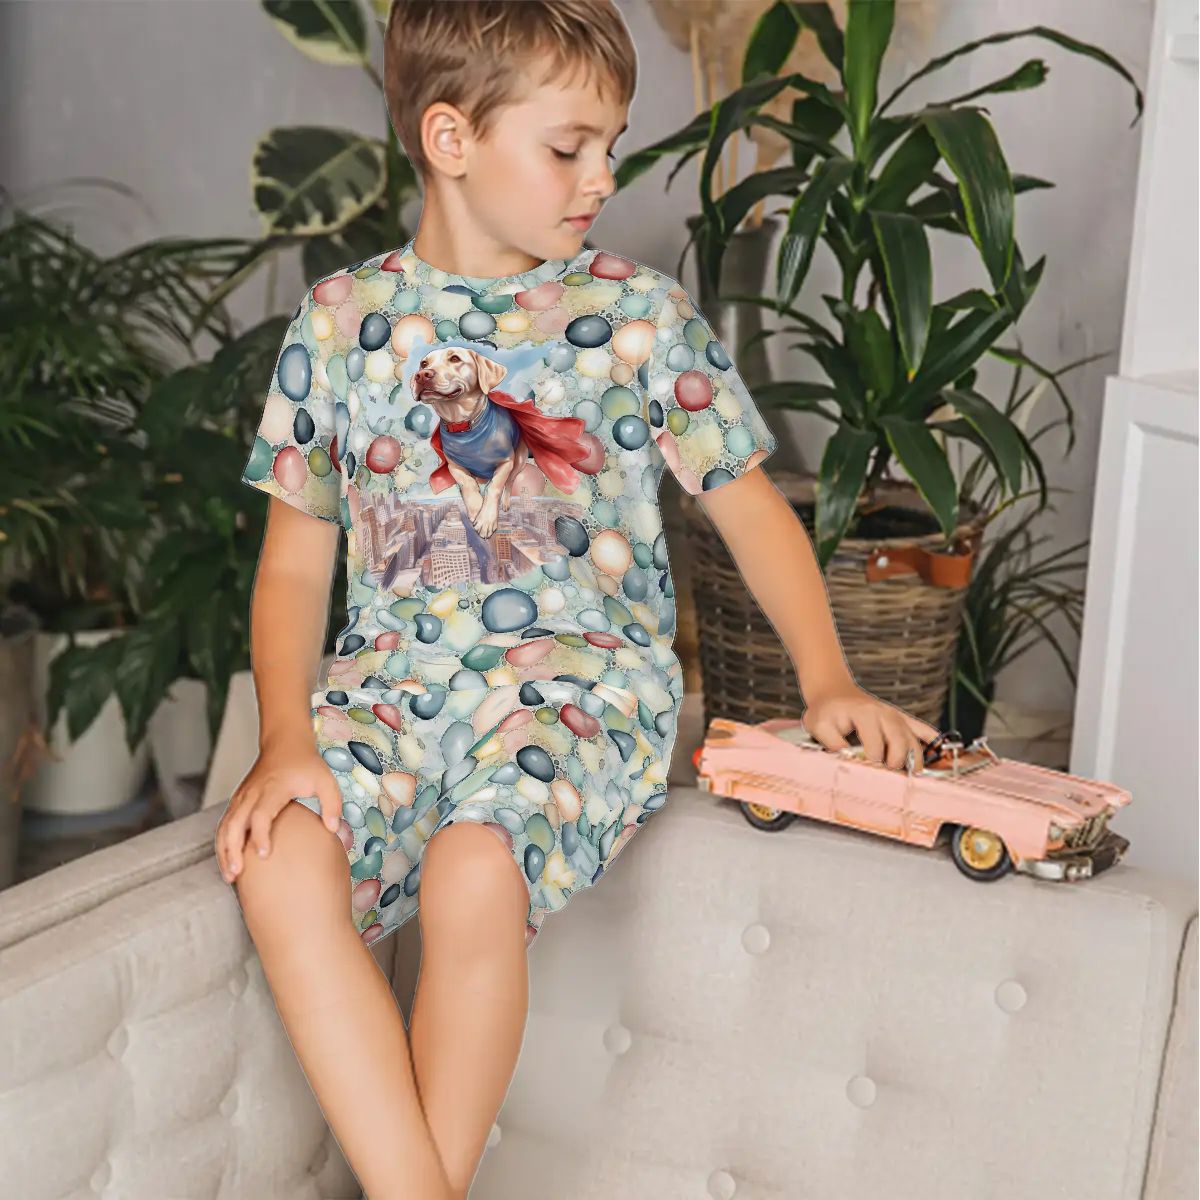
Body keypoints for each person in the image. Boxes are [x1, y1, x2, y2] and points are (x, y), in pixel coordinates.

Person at [215, 2, 939, 1197]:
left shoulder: (639, 318)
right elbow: (294, 564)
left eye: (612, 144)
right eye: (569, 147)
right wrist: (286, 737)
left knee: (472, 871)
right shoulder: (339, 323)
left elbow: (751, 510)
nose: (603, 176)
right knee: (283, 859)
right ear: (450, 138)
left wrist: (827, 680)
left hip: (579, 688)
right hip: (390, 687)